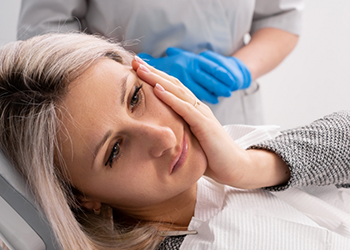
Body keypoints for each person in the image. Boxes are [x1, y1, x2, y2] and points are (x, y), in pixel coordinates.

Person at [0, 33, 349, 250]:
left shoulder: (234, 149)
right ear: (82, 198)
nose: (164, 137)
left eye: (135, 97)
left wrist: (252, 167)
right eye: (115, 151)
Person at [17, 0, 304, 125]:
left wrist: (240, 69)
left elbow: (280, 18)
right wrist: (134, 69)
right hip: (131, 113)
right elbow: (41, 35)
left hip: (231, 112)